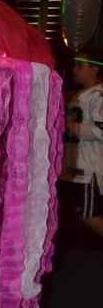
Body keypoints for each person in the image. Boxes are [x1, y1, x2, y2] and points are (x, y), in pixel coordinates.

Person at [61, 53, 103, 226]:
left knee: (89, 216)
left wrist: (69, 127)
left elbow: (101, 130)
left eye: (80, 66)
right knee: (79, 215)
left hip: (89, 169)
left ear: (95, 68)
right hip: (74, 168)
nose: (74, 70)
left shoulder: (99, 95)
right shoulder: (80, 94)